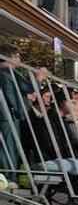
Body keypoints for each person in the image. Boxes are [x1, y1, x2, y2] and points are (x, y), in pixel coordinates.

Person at [0, 44, 38, 174]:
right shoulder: (8, 71)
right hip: (9, 115)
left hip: (7, 114)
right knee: (10, 148)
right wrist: (38, 78)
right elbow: (27, 87)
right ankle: (8, 177)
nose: (19, 60)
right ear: (8, 57)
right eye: (16, 56)